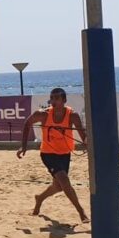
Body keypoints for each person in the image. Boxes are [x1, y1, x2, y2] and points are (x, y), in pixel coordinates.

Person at [17, 88, 89, 223]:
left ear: (64, 100)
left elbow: (83, 135)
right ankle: (81, 212)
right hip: (48, 153)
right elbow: (27, 123)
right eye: (52, 98)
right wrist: (24, 146)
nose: (53, 101)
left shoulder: (73, 115)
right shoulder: (43, 114)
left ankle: (40, 198)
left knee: (59, 186)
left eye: (57, 98)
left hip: (65, 153)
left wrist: (88, 144)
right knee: (65, 181)